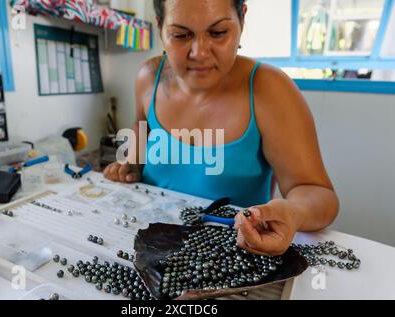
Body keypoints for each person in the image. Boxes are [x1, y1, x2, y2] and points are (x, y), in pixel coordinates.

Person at [104, 0, 339, 256]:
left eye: (218, 33)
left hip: (227, 256)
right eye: (181, 35)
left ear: (242, 20)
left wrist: (293, 213)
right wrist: (130, 165)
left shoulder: (269, 90)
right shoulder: (149, 77)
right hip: (143, 245)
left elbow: (318, 193)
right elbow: (139, 141)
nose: (200, 52)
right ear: (160, 28)